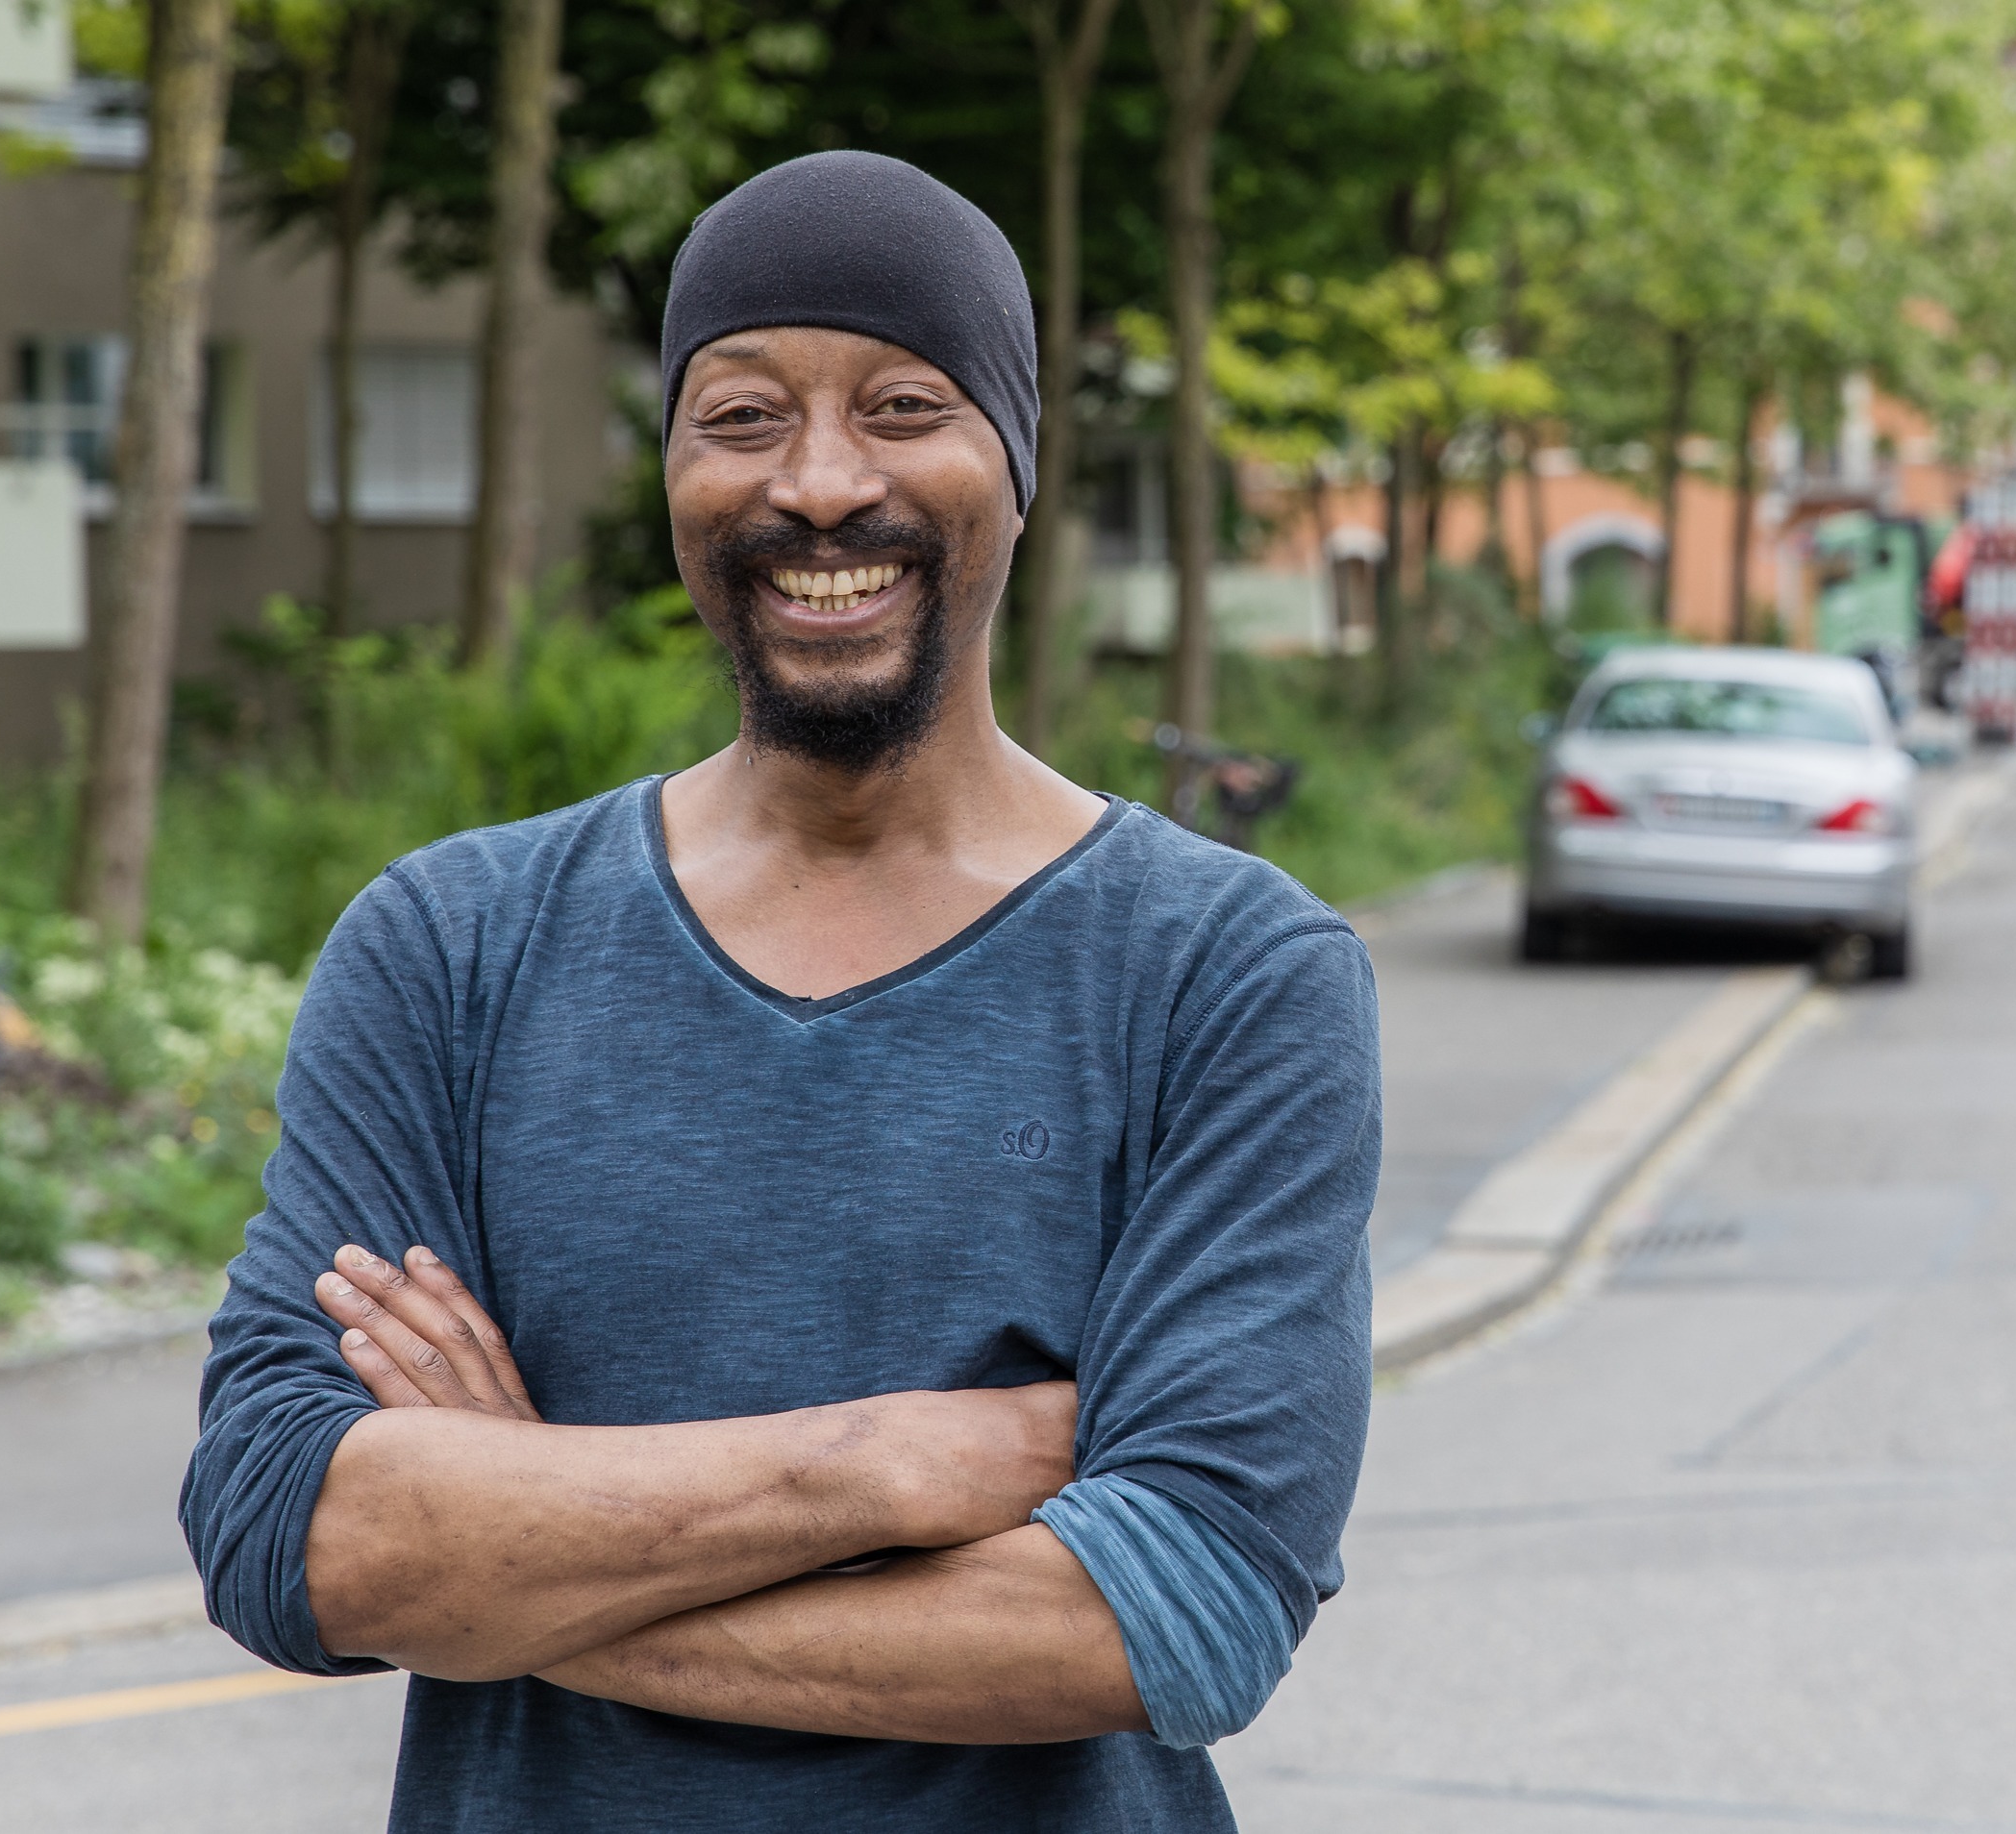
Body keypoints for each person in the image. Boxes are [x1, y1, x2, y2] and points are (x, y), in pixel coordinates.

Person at [181, 150, 1381, 1833]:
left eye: (903, 407)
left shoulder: (1224, 973)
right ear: (673, 475)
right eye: (740, 416)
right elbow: (283, 1535)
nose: (818, 484)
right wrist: (884, 1466)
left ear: (1015, 464)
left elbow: (1177, 1610)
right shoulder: (450, 946)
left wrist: (518, 1550)